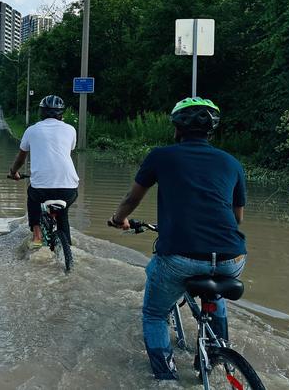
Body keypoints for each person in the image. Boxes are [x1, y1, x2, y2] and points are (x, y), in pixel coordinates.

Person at [108, 97, 247, 380]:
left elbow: (133, 197)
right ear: (211, 131)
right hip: (232, 258)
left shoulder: (161, 156)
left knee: (155, 314)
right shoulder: (232, 163)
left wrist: (118, 219)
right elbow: (237, 218)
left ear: (176, 128)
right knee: (215, 292)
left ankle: (166, 378)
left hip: (180, 258)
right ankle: (215, 353)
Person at [8, 95, 80, 248]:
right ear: (62, 113)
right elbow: (68, 151)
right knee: (63, 213)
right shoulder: (71, 130)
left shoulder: (32, 130)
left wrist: (14, 172)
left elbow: (21, 159)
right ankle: (67, 245)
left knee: (32, 196)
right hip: (69, 189)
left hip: (41, 189)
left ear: (41, 112)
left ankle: (37, 236)